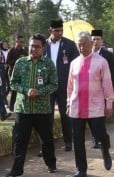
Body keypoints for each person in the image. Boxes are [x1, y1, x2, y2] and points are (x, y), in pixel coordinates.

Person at [6, 33, 58, 177]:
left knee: (47, 140)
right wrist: (25, 90)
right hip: (23, 109)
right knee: (20, 141)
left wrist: (39, 92)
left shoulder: (48, 64)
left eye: (37, 46)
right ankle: (16, 170)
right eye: (31, 46)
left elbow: (54, 84)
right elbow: (13, 82)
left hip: (42, 110)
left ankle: (51, 163)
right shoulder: (20, 62)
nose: (33, 49)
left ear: (43, 48)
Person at [67, 32, 114, 177]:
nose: (81, 47)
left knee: (101, 134)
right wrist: (68, 103)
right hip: (76, 106)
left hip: (95, 106)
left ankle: (105, 151)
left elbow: (107, 83)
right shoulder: (74, 63)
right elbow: (70, 86)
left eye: (84, 44)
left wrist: (109, 103)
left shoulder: (101, 61)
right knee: (78, 140)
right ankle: (81, 169)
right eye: (79, 44)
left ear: (91, 44)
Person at [44, 19, 79, 152]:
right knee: (47, 116)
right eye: (57, 30)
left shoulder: (69, 44)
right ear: (50, 30)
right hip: (47, 87)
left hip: (64, 86)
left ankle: (68, 142)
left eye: (61, 30)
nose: (59, 32)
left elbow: (76, 64)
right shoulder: (43, 45)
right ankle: (46, 145)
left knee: (66, 115)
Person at [90, 29, 114, 149]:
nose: (95, 42)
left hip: (103, 90)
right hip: (90, 91)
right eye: (93, 39)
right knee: (91, 115)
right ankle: (95, 139)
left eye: (98, 39)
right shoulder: (86, 54)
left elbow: (113, 74)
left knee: (100, 116)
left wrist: (113, 92)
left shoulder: (107, 55)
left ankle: (102, 137)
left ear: (102, 41)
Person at [6, 36, 28, 112]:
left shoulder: (24, 51)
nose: (21, 43)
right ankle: (11, 106)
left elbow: (28, 60)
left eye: (23, 42)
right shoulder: (11, 51)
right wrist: (18, 59)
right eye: (20, 41)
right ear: (16, 41)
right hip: (12, 73)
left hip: (22, 74)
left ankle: (20, 106)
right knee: (14, 90)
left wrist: (24, 58)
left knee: (21, 90)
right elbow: (7, 62)